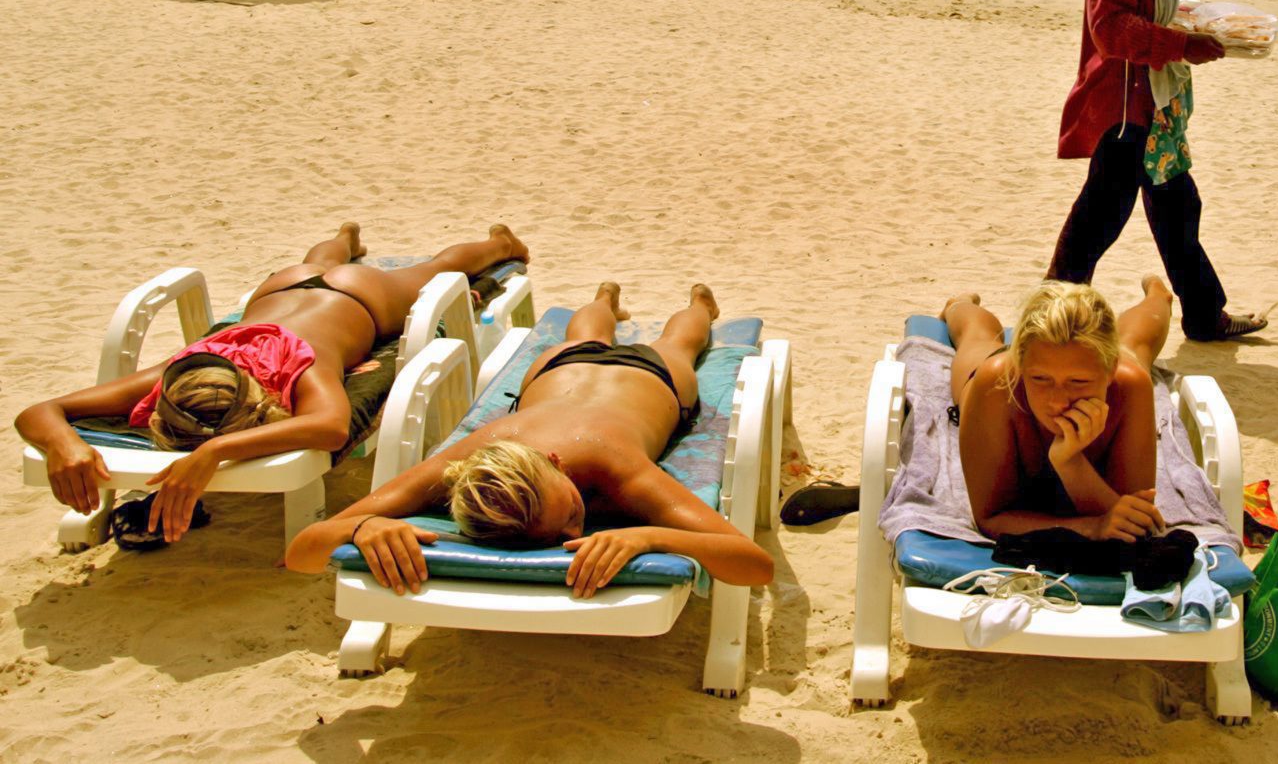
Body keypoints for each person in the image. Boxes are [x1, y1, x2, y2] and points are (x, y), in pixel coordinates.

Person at [16, 222, 530, 545]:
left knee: (438, 269)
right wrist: (64, 444)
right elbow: (39, 413)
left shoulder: (299, 365)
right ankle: (347, 238)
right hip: (290, 291)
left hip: (359, 298)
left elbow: (330, 427)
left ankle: (499, 244)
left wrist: (214, 451)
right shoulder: (183, 370)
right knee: (323, 264)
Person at [284, 281, 774, 597]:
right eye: (563, 531)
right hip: (561, 371)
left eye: (570, 512)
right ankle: (606, 300)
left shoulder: (616, 467)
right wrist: (361, 527)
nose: (575, 533)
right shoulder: (463, 469)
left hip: (650, 378)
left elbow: (756, 565)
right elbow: (301, 553)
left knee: (679, 343)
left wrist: (648, 535)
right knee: (584, 337)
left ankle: (698, 306)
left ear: (557, 462)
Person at [1047, 0, 1265, 342]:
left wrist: (1189, 21)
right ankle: (1051, 316)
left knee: (1176, 205)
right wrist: (1181, 44)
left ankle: (1205, 315)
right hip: (1125, 104)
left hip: (1150, 100)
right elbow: (1110, 28)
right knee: (1100, 216)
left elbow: (1143, 8)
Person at [947, 280, 1174, 542]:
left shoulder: (1129, 385)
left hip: (1110, 365)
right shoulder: (996, 385)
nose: (1057, 402)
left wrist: (1069, 462)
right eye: (1040, 379)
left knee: (1136, 343)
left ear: (1111, 369)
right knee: (976, 337)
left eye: (1078, 382)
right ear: (1020, 364)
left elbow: (1134, 521)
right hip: (1000, 375)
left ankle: (1159, 295)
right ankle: (959, 304)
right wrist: (1092, 528)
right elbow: (990, 518)